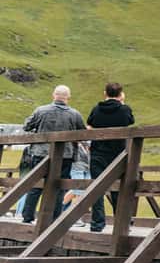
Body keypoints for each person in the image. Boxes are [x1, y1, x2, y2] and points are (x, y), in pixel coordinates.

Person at [21, 85, 86, 224]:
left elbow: (27, 126)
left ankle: (28, 216)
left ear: (53, 95)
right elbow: (83, 133)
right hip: (65, 155)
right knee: (59, 187)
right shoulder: (75, 114)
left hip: (40, 153)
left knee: (36, 185)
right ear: (68, 97)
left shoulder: (41, 110)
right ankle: (54, 219)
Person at [86, 82, 135, 233]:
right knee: (119, 189)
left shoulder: (96, 109)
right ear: (120, 94)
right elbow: (130, 121)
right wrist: (122, 103)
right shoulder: (124, 109)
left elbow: (90, 124)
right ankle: (121, 224)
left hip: (98, 153)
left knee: (97, 188)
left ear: (105, 93)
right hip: (118, 154)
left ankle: (97, 223)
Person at [61, 140, 90, 228]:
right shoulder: (76, 140)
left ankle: (58, 209)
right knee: (78, 192)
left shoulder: (86, 142)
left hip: (87, 166)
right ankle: (74, 218)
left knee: (79, 191)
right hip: (77, 166)